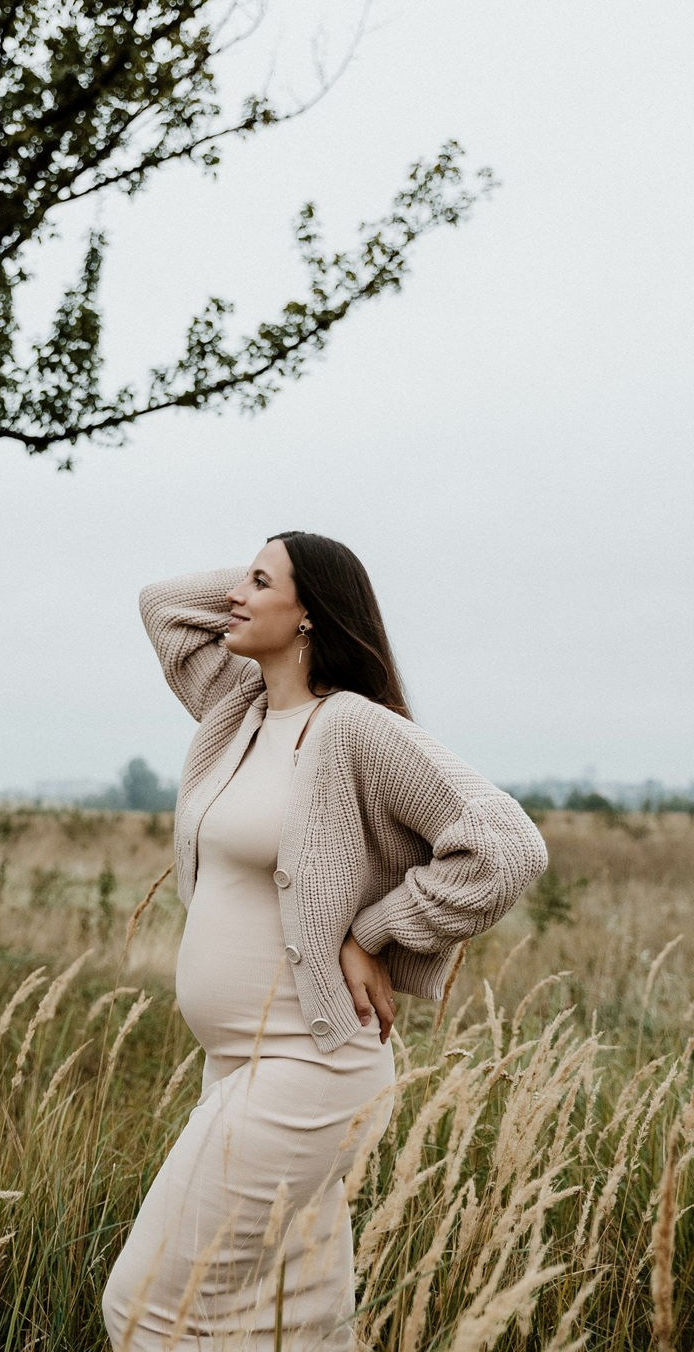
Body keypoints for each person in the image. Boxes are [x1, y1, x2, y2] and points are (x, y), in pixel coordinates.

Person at [102, 531, 547, 1350]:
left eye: (259, 581)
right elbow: (163, 607)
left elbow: (508, 847)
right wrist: (270, 570)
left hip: (309, 1064)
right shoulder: (236, 708)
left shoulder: (352, 728)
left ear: (309, 614)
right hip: (236, 1063)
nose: (234, 594)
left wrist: (375, 933)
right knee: (289, 1325)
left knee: (146, 1307)